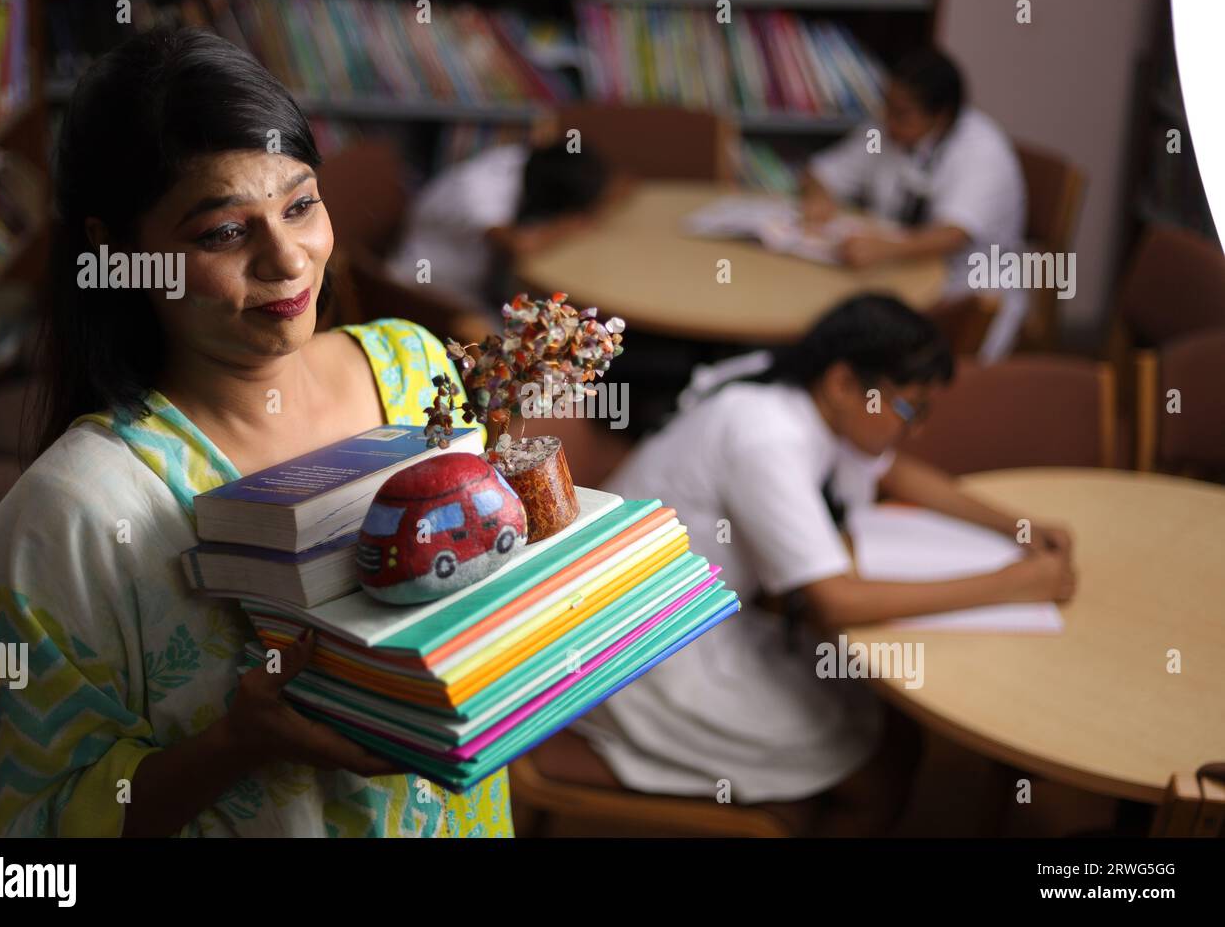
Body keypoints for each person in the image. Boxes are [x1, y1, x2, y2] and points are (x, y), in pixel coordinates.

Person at [0, 29, 512, 837]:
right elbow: (43, 835)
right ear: (119, 253)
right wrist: (239, 743)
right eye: (223, 233)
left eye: (301, 204)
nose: (288, 260)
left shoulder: (417, 373)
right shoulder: (76, 515)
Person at [574, 294, 1076, 834]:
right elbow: (835, 601)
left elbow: (891, 472)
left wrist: (1018, 527)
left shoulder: (797, 387)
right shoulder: (766, 436)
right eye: (910, 408)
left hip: (694, 616)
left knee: (888, 723)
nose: (917, 428)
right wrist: (1012, 585)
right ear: (843, 383)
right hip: (643, 657)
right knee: (880, 765)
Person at [799, 48, 1029, 361]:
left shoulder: (982, 152)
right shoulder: (883, 132)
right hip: (895, 281)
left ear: (942, 115)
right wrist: (819, 197)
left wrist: (884, 249)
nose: (887, 121)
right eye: (887, 107)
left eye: (902, 114)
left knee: (854, 352)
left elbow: (954, 234)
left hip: (965, 294)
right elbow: (821, 172)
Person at [386, 138, 612, 314]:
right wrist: (571, 225)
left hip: (481, 283)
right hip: (428, 289)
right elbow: (519, 245)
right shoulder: (479, 194)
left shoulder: (528, 161)